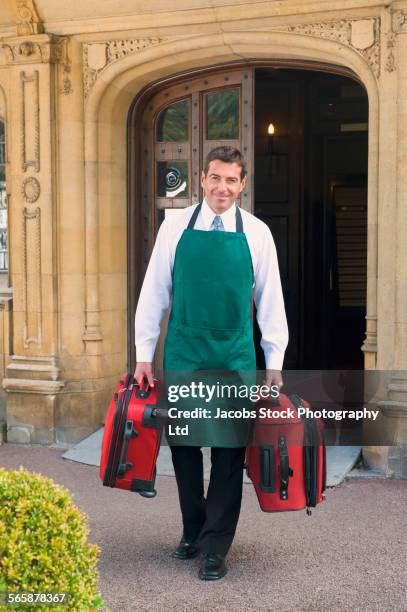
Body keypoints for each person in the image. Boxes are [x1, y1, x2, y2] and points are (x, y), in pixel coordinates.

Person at [134, 146, 288, 580]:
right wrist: (144, 354)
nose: (223, 187)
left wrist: (274, 359)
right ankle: (192, 530)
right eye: (215, 178)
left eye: (232, 180)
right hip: (184, 352)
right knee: (184, 449)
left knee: (227, 453)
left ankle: (217, 546)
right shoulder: (174, 227)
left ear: (242, 185)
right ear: (202, 179)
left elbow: (270, 300)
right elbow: (154, 292)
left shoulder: (257, 233)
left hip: (235, 356)